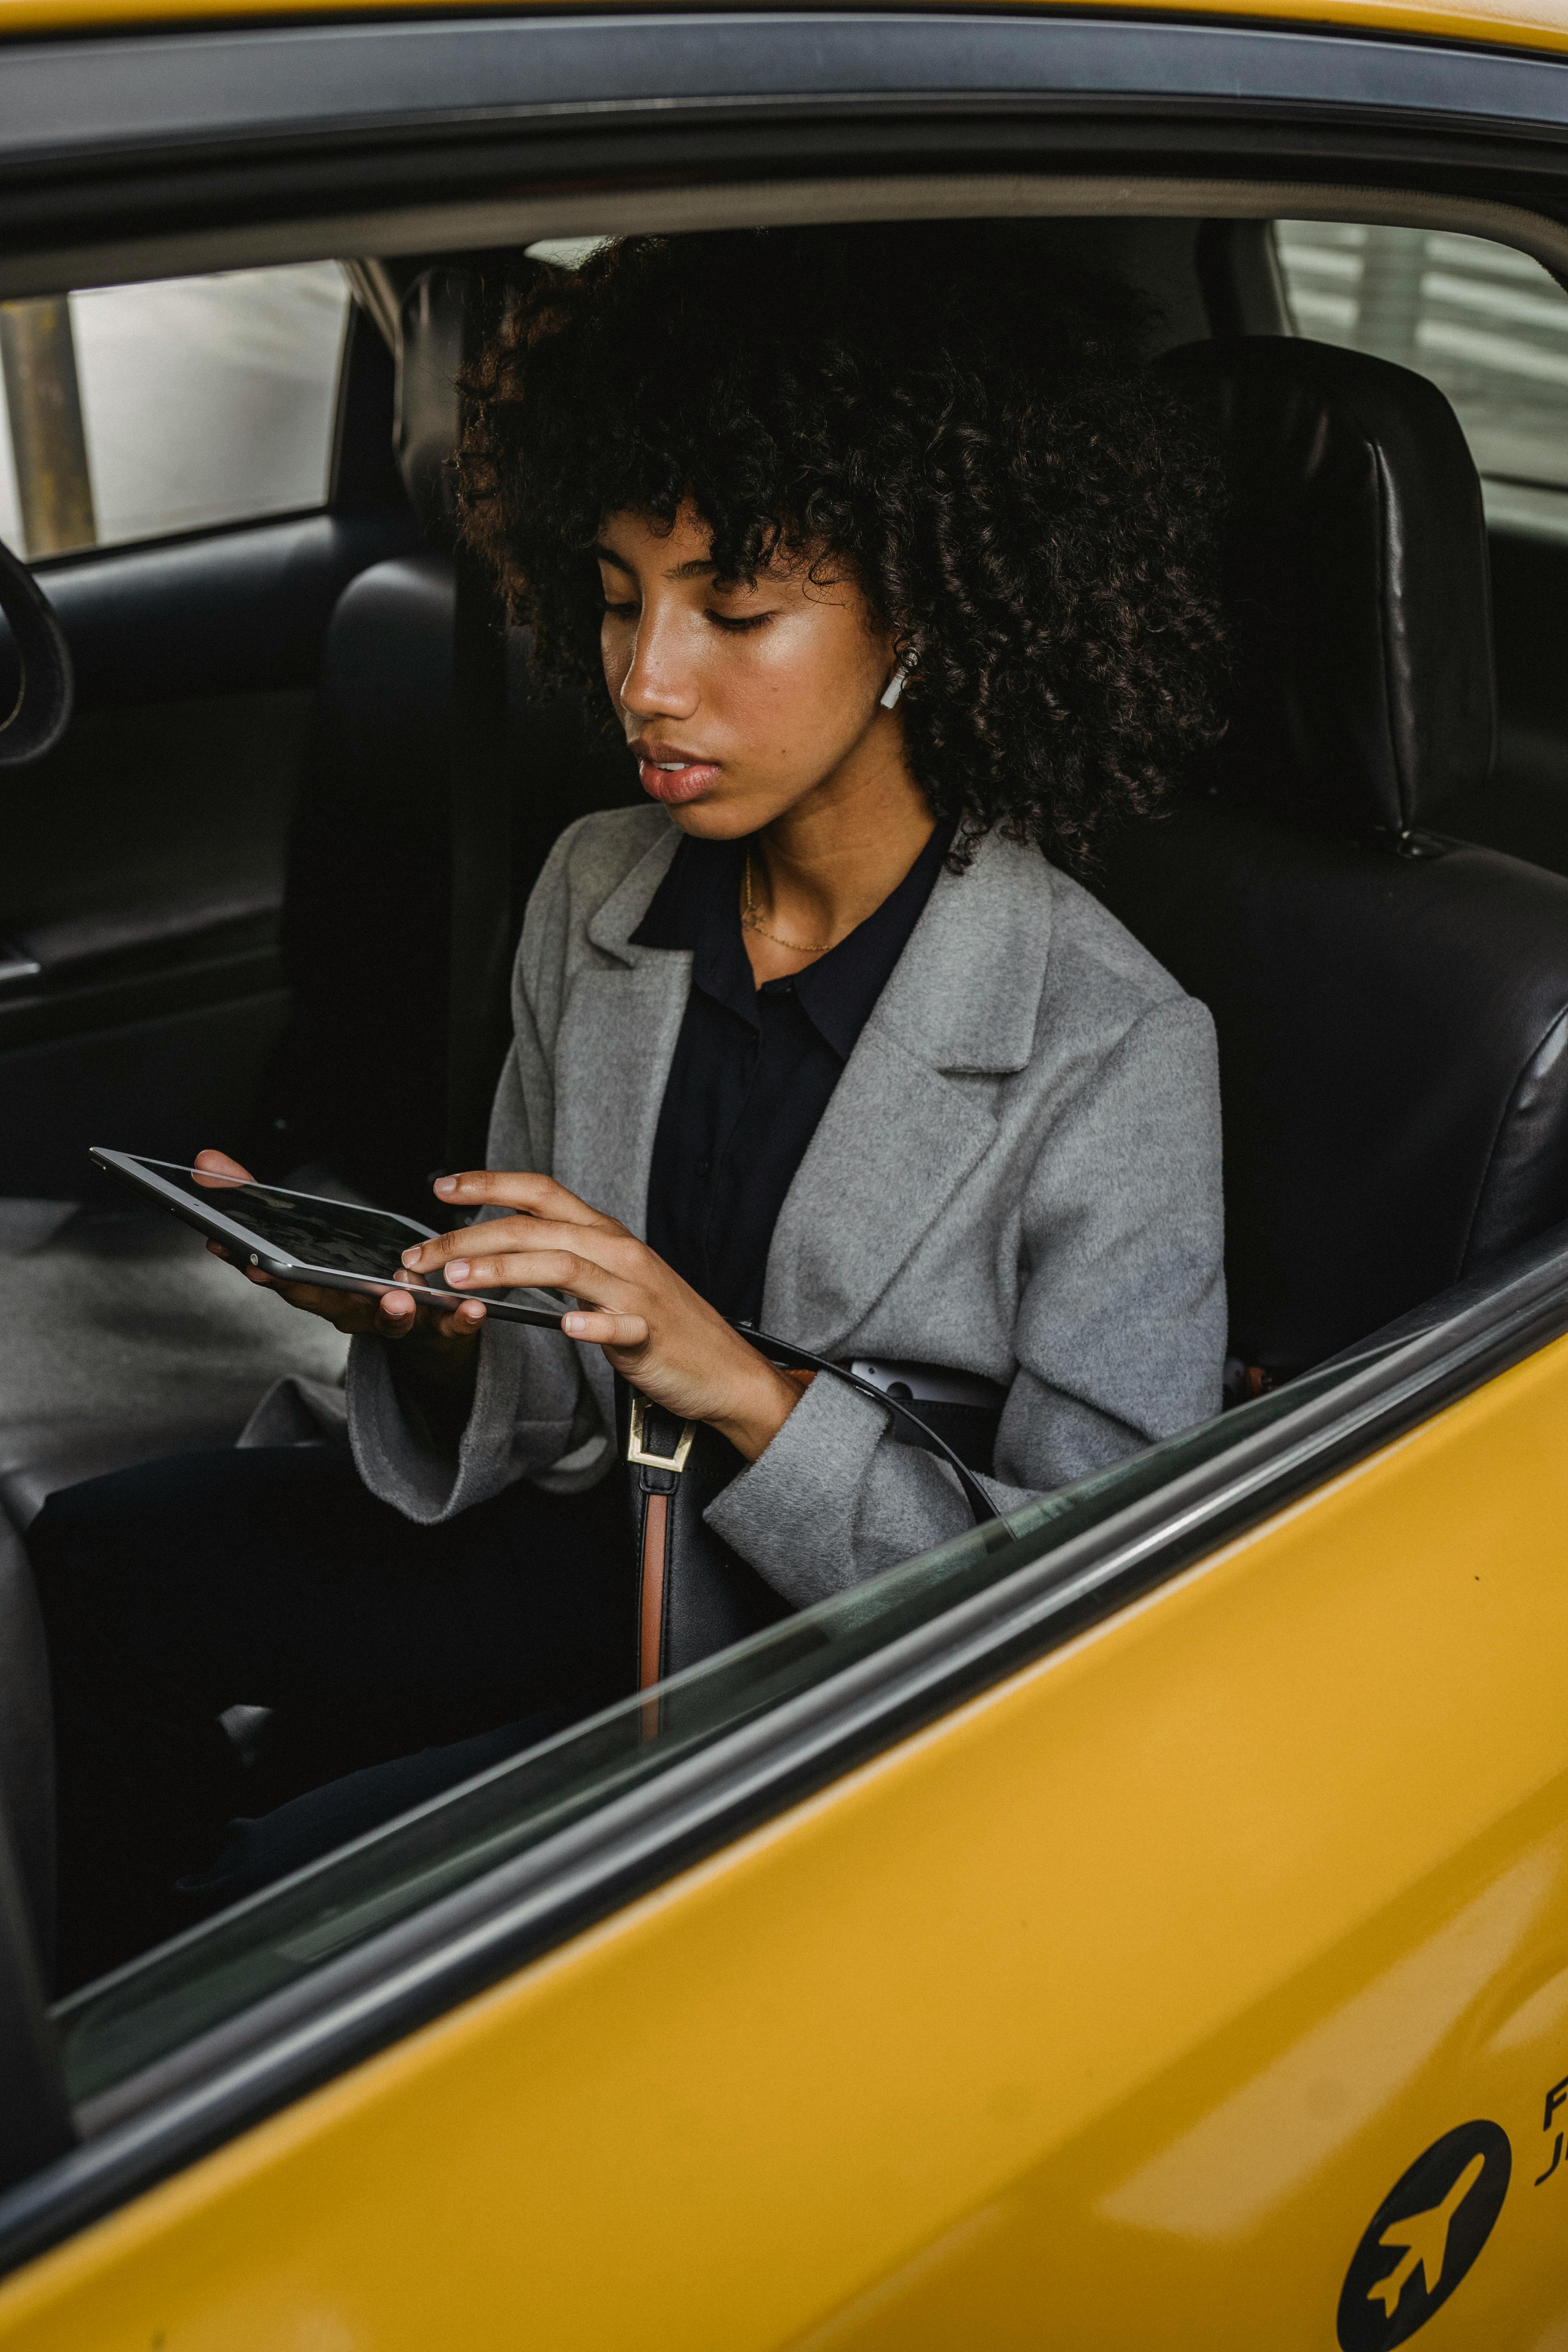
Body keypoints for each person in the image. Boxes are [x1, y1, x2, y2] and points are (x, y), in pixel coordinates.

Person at [29, 223, 1229, 1989]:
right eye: (614, 596)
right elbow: (559, 1404)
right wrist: (433, 1331)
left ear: (923, 619)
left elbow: (1089, 1605)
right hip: (581, 1534)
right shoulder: (599, 885)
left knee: (265, 1932)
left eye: (733, 611)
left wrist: (735, 1381)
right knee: (89, 1563)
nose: (646, 677)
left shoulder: (1116, 1046)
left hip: (809, 1651)